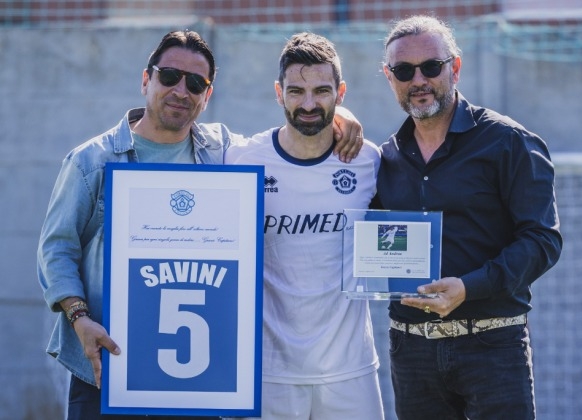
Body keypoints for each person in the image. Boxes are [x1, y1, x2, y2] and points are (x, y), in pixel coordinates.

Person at [36, 29, 363, 420]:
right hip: (109, 369)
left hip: (195, 381)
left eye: (195, 83)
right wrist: (79, 319)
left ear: (207, 95)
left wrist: (340, 114)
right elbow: (57, 249)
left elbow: (289, 134)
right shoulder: (92, 161)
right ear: (146, 79)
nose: (181, 91)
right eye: (169, 76)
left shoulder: (221, 150)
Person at [373, 15, 563, 419]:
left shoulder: (509, 142)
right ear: (389, 77)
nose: (419, 80)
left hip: (492, 345)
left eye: (431, 67)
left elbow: (542, 240)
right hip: (411, 351)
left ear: (455, 67)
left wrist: (468, 287)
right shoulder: (384, 157)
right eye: (404, 71)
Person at [224, 32, 384, 420]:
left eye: (321, 91)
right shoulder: (241, 159)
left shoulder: (369, 161)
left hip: (350, 371)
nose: (309, 104)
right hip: (268, 373)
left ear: (340, 92)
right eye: (296, 91)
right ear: (279, 93)